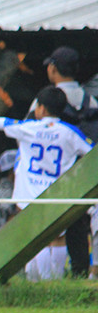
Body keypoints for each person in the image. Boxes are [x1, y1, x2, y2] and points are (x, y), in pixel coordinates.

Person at [0, 85, 94, 281]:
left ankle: (38, 281)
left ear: (40, 108)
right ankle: (54, 282)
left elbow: (3, 123)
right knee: (58, 238)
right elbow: (91, 153)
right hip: (58, 195)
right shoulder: (70, 132)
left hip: (29, 195)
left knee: (35, 238)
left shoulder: (28, 127)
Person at [27, 47, 97, 278]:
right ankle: (79, 272)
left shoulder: (46, 99)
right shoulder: (91, 100)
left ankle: (48, 279)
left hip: (49, 176)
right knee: (80, 225)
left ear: (53, 68)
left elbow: (29, 131)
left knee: (46, 231)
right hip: (85, 175)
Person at [0, 149, 18, 239]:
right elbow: (9, 218)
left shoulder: (8, 186)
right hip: (0, 240)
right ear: (12, 170)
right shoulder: (6, 189)